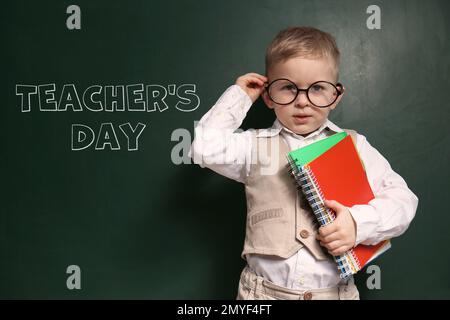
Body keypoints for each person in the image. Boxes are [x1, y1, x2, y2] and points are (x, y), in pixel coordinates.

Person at [189, 26, 418, 300]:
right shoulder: (253, 145)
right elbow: (204, 148)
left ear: (336, 95)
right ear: (268, 95)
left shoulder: (355, 146)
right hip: (262, 294)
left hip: (334, 294)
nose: (302, 102)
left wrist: (358, 224)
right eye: (288, 88)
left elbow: (403, 200)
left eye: (318, 88)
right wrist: (238, 97)